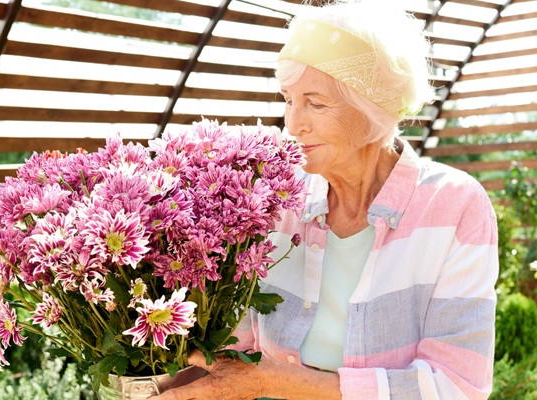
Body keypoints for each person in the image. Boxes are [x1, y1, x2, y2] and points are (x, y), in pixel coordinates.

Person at [153, 1, 498, 398]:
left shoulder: (455, 206)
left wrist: (277, 382)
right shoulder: (277, 198)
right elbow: (235, 346)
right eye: (288, 99)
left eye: (315, 103)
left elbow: (456, 386)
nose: (293, 123)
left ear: (374, 108)